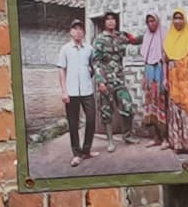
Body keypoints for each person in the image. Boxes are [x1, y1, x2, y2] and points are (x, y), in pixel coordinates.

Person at [162, 8, 188, 155]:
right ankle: (178, 143)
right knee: (176, 108)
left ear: (184, 20)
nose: (178, 21)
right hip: (174, 80)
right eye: (175, 18)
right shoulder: (168, 39)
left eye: (180, 18)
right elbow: (164, 61)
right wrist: (164, 78)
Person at [90, 12, 136, 150]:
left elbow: (135, 40)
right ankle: (110, 141)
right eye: (108, 20)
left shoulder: (121, 37)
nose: (111, 22)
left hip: (119, 80)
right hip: (106, 81)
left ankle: (127, 136)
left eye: (113, 19)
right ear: (104, 23)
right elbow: (96, 62)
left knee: (128, 106)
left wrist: (150, 33)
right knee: (106, 111)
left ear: (116, 22)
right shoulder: (99, 40)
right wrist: (100, 81)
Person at [56, 12, 98, 159]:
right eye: (75, 29)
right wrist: (64, 91)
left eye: (81, 29)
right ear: (71, 32)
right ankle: (76, 154)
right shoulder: (65, 49)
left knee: (91, 119)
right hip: (71, 92)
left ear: (84, 32)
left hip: (87, 91)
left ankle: (86, 150)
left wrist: (89, 74)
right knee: (73, 124)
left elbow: (93, 66)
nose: (78, 31)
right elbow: (61, 70)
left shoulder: (89, 49)